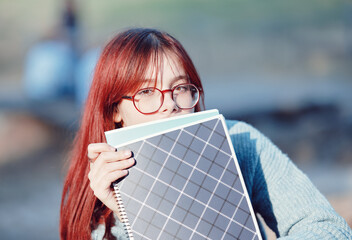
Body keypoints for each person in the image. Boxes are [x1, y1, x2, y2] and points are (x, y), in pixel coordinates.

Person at [60, 28, 352, 240]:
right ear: (114, 110)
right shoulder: (97, 194)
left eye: (181, 88)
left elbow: (327, 228)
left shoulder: (239, 143)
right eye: (147, 92)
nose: (170, 105)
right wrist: (129, 212)